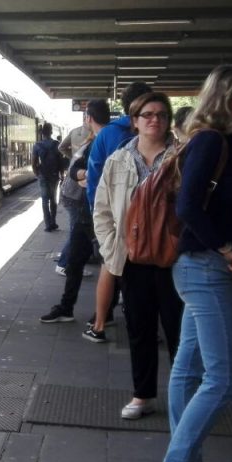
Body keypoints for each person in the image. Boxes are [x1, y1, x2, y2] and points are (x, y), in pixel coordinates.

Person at [149, 65, 232, 462]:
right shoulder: (209, 142)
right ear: (228, 96)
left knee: (189, 370)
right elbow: (187, 205)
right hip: (204, 266)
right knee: (223, 379)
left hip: (203, 265)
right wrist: (226, 248)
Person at [92, 92, 184, 420]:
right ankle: (142, 395)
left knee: (179, 331)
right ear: (134, 121)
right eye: (147, 114)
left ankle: (184, 398)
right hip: (132, 259)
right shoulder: (119, 160)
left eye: (160, 114)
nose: (154, 120)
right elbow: (102, 209)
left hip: (173, 259)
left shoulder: (182, 158)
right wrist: (110, 249)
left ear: (168, 120)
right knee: (139, 329)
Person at [84, 81, 153, 343]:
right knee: (139, 270)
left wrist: (98, 219)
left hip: (116, 216)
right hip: (141, 219)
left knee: (111, 267)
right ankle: (137, 323)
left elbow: (94, 181)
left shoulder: (106, 135)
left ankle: (101, 322)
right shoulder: (156, 136)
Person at [56, 101, 108, 275]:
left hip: (73, 193)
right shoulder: (96, 142)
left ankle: (71, 264)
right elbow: (77, 170)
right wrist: (88, 175)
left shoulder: (89, 139)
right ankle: (65, 265)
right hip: (75, 195)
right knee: (78, 232)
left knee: (81, 232)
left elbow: (67, 155)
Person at [32, 123, 62, 231]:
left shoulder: (37, 145)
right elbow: (60, 161)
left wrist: (37, 174)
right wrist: (61, 174)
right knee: (53, 199)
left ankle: (47, 224)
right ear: (51, 132)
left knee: (45, 200)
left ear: (41, 133)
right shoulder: (56, 144)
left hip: (43, 175)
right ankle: (53, 222)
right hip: (54, 175)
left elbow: (34, 162)